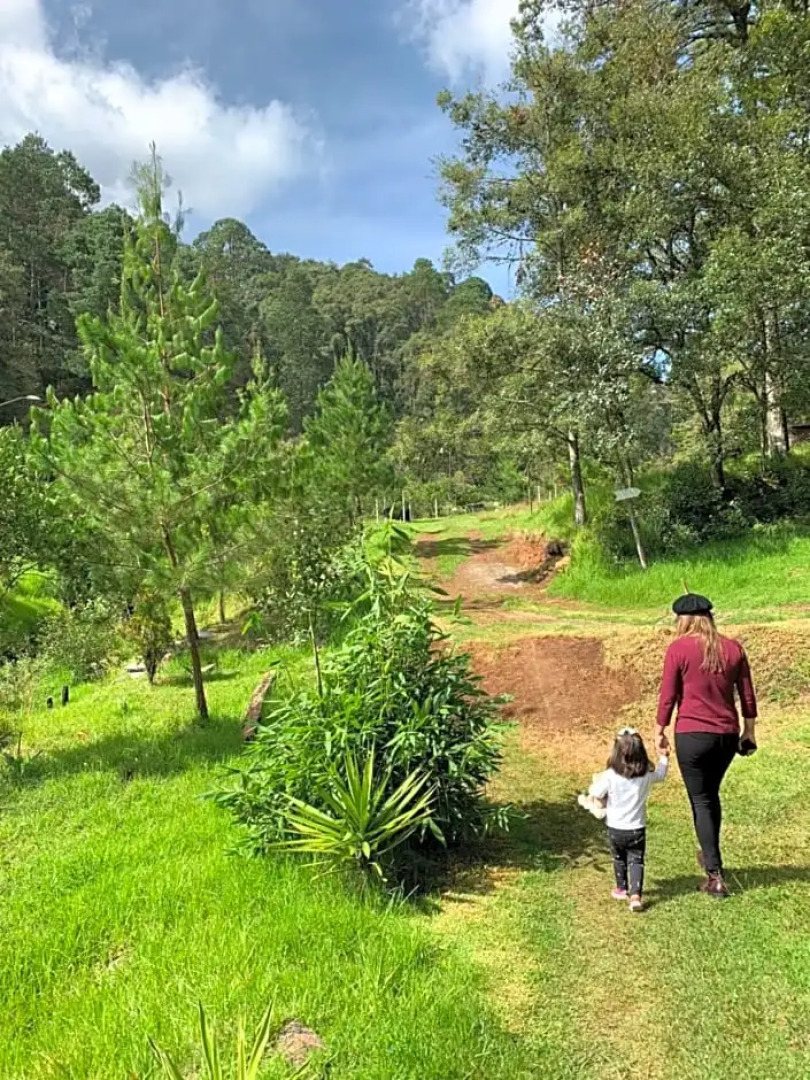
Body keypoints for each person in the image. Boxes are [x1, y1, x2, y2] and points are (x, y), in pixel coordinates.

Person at [656, 593, 758, 898]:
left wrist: (659, 730)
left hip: (691, 734)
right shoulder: (733, 648)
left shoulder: (678, 648)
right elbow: (748, 696)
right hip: (726, 735)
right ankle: (708, 851)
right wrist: (749, 732)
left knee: (701, 800)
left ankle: (715, 875)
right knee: (709, 797)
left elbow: (668, 695)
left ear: (684, 620)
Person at [587, 728, 669, 913]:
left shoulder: (610, 776)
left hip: (615, 828)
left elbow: (595, 793)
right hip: (637, 828)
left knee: (619, 858)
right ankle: (635, 896)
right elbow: (661, 775)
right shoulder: (646, 776)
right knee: (636, 860)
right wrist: (664, 756)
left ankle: (621, 888)